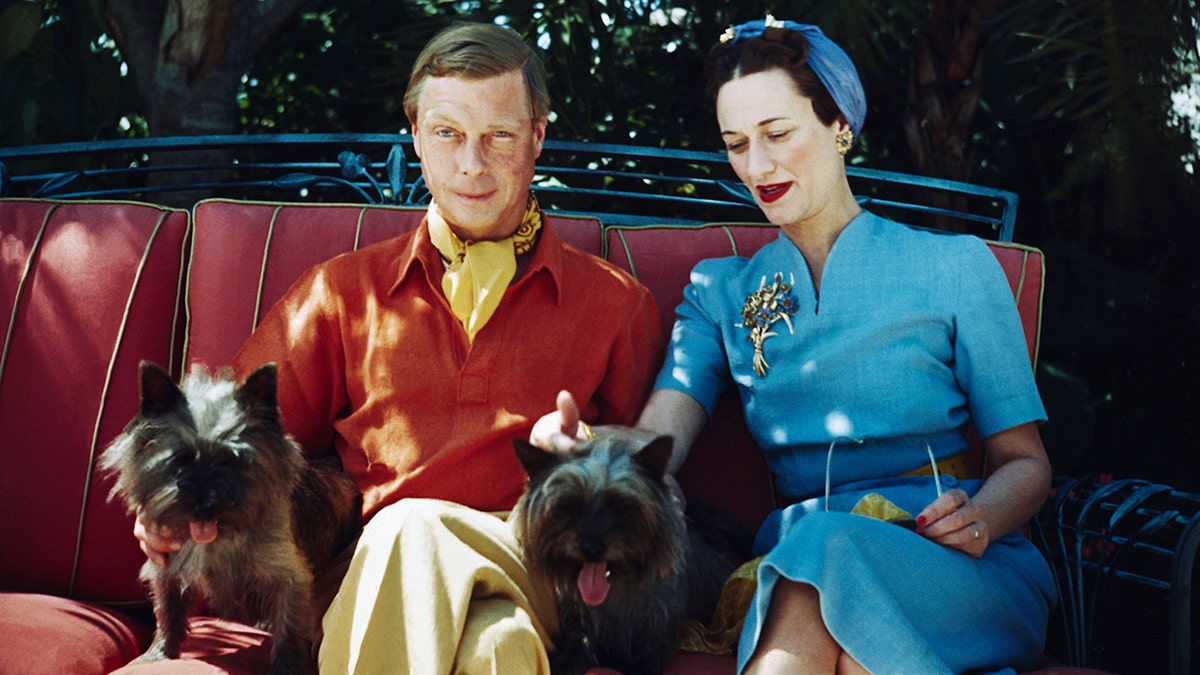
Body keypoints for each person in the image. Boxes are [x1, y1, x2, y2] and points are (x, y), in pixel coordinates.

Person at [129, 21, 663, 674]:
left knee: (416, 526)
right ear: (415, 136)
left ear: (538, 136)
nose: (472, 163)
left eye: (499, 135)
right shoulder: (341, 293)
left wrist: (595, 444)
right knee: (498, 643)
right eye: (448, 134)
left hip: (538, 561)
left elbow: (648, 491)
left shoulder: (617, 303)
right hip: (373, 570)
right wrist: (169, 511)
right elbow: (232, 440)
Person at [536, 17, 1055, 675]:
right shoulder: (720, 291)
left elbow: (1026, 462)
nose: (758, 165)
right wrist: (592, 446)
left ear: (840, 124)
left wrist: (981, 514)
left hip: (958, 565)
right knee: (832, 598)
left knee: (829, 564)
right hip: (797, 563)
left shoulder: (956, 266)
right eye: (737, 143)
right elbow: (661, 437)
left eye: (778, 134)